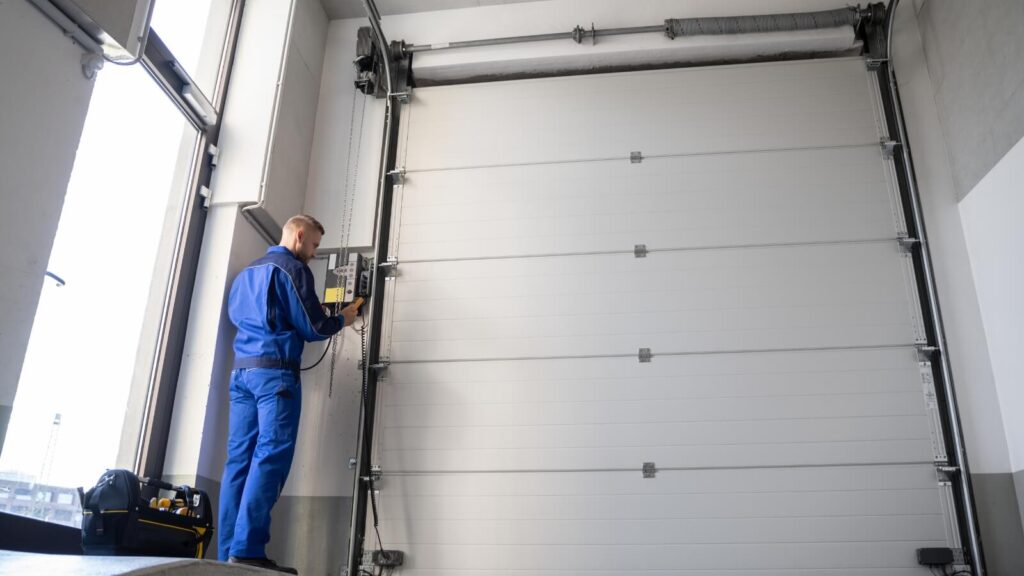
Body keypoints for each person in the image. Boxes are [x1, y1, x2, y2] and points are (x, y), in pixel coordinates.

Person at [219, 214, 360, 573]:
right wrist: (344, 316)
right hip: (274, 377)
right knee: (270, 457)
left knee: (239, 462)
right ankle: (248, 550)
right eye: (313, 245)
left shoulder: (245, 274)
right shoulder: (291, 270)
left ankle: (227, 557)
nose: (313, 253)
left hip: (241, 374)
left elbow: (244, 317)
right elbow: (314, 327)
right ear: (298, 236)